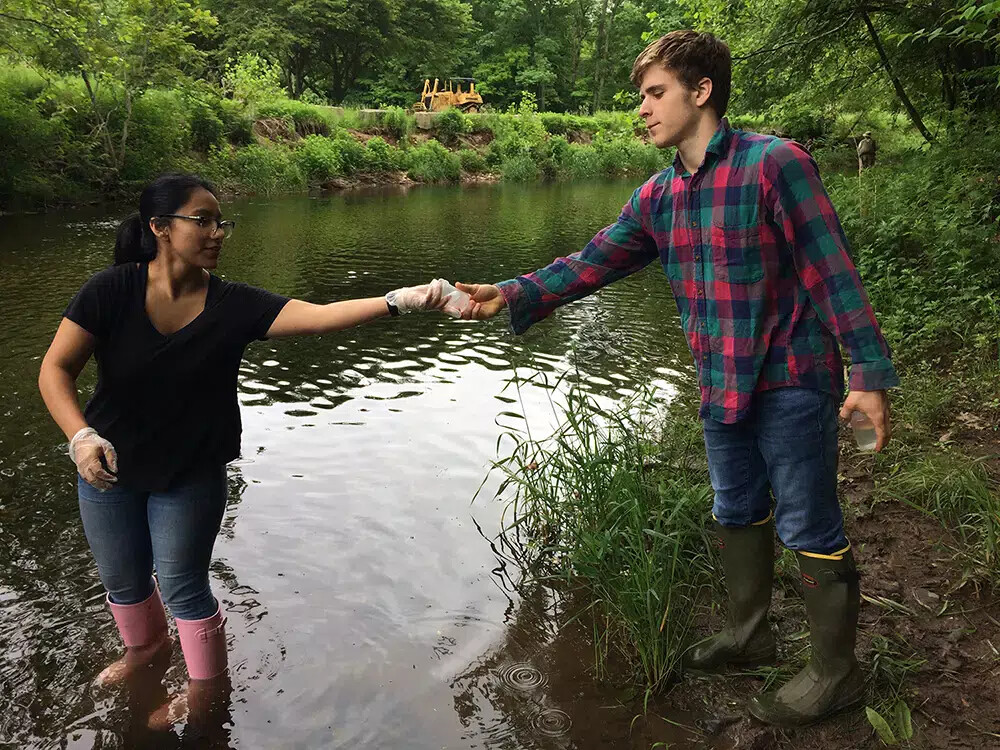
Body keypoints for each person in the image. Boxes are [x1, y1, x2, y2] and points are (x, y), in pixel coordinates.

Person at [455, 31, 898, 728]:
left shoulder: (774, 165)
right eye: (640, 96)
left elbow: (831, 270)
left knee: (809, 520)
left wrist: (867, 372)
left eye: (655, 93)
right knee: (735, 509)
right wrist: (510, 292)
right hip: (720, 383)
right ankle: (751, 634)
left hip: (792, 377)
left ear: (702, 91)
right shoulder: (659, 196)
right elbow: (591, 261)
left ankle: (836, 672)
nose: (642, 108)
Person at [37, 173, 450, 728]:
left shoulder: (232, 304)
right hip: (109, 468)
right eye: (201, 220)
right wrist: (80, 437)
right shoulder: (109, 291)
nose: (217, 233)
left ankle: (207, 690)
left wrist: (403, 300)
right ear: (159, 228)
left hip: (191, 472)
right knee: (124, 580)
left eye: (220, 221)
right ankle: (144, 651)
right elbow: (55, 370)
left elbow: (317, 316)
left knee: (183, 584)